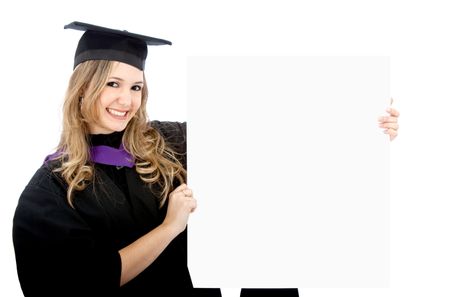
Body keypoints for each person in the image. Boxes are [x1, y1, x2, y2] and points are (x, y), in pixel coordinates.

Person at [12, 21, 400, 297]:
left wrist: (363, 125)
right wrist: (169, 227)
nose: (126, 100)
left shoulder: (162, 142)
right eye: (112, 84)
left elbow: (258, 133)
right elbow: (82, 285)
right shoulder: (49, 192)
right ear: (83, 88)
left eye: (136, 87)